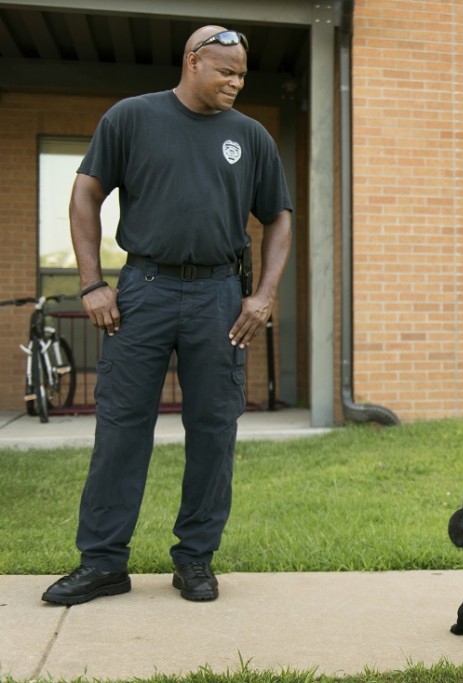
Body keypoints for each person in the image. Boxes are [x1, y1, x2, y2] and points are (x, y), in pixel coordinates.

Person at [42, 25, 292, 605]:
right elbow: (85, 194)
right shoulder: (131, 118)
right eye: (225, 71)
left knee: (213, 431)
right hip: (143, 290)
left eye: (242, 76)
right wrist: (92, 284)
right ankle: (103, 563)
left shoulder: (250, 137)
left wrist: (264, 296)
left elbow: (278, 216)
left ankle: (195, 561)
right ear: (193, 62)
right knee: (122, 427)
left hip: (220, 298)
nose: (235, 82)